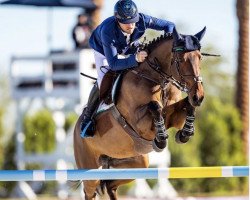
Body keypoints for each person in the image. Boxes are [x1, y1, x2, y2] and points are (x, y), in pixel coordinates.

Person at [80, 0, 175, 137]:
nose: (131, 25)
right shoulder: (108, 30)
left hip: (128, 44)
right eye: (126, 22)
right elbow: (113, 64)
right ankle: (87, 118)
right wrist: (135, 59)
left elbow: (169, 26)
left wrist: (167, 45)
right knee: (104, 78)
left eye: (133, 21)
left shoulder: (142, 20)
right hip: (102, 49)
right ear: (118, 20)